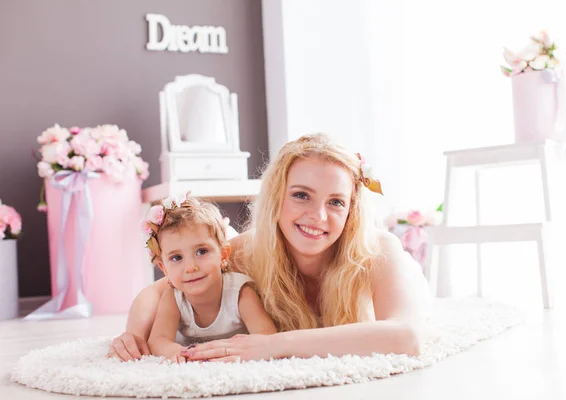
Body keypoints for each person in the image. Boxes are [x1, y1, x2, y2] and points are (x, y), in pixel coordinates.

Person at [109, 133, 432, 362]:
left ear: (351, 210)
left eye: (335, 202)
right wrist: (134, 334)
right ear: (277, 198)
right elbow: (159, 291)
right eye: (301, 195)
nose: (317, 216)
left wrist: (274, 345)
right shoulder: (249, 249)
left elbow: (407, 337)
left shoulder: (378, 249)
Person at [140, 194, 277, 363]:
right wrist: (181, 353)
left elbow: (266, 334)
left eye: (201, 252)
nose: (190, 267)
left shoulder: (240, 292)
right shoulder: (174, 297)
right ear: (164, 268)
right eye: (176, 258)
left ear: (223, 255)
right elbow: (158, 340)